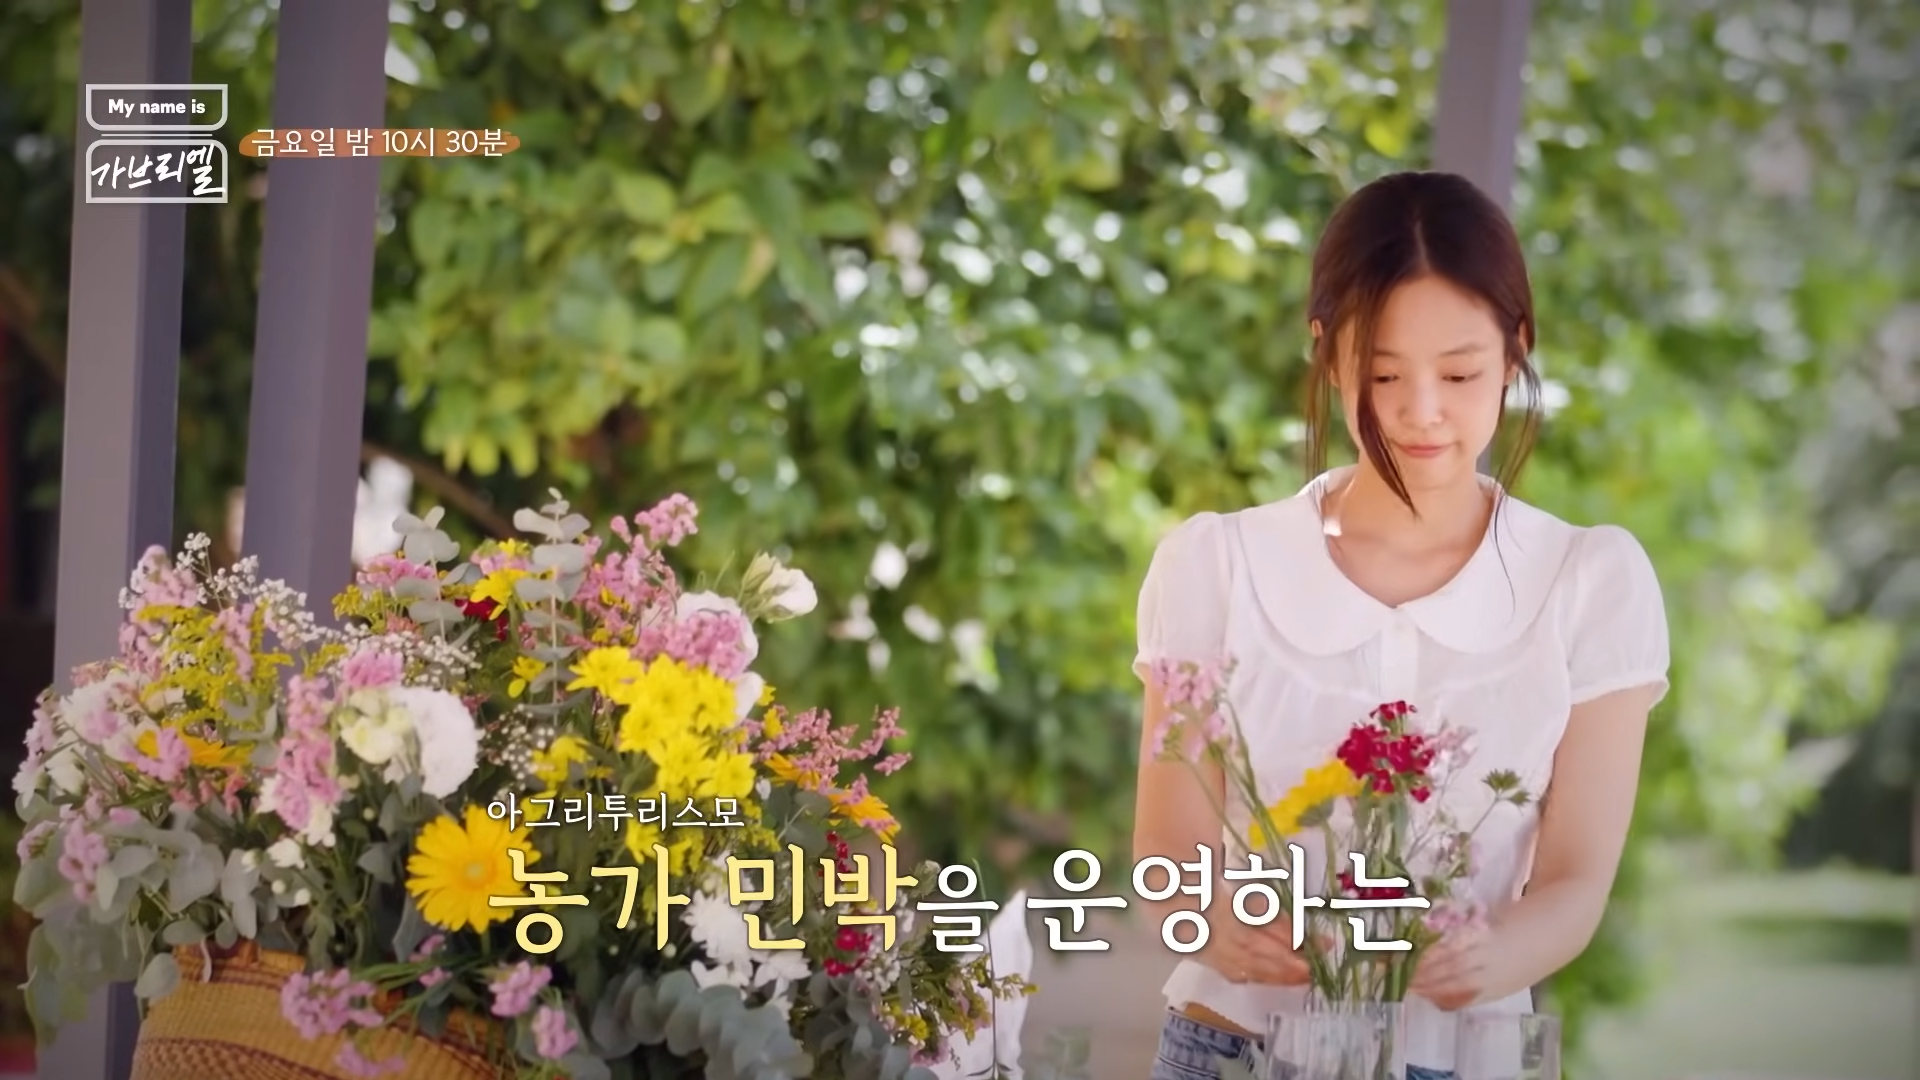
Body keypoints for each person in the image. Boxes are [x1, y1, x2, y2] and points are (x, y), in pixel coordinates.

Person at [1130, 170, 1670, 1080]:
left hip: (1464, 1056)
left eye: (1459, 373)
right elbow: (1165, 855)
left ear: (1516, 351)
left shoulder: (1588, 581)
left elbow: (1576, 881)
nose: (1422, 411)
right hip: (1231, 1048)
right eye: (1383, 373)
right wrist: (1208, 920)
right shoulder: (1216, 565)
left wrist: (1499, 954)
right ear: (1328, 356)